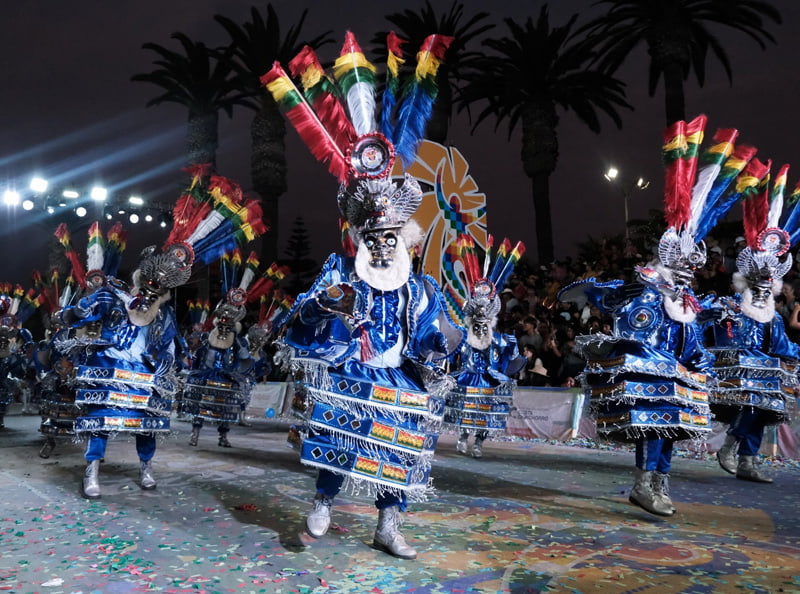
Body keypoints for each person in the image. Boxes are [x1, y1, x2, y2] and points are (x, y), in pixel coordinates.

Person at [266, 31, 463, 559]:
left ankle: (389, 525)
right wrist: (326, 305)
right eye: (372, 238)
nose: (380, 245)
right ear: (360, 239)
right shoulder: (340, 272)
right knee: (337, 441)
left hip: (398, 375)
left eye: (389, 238)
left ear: (403, 239)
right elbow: (301, 314)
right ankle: (324, 505)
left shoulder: (421, 287)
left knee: (398, 453)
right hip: (352, 369)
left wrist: (442, 346)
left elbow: (436, 336)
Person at [560, 117, 752, 517]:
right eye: (683, 266)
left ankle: (657, 483)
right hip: (653, 377)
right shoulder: (645, 293)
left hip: (677, 378)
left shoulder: (683, 300)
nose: (690, 272)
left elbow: (691, 338)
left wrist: (699, 362)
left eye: (693, 267)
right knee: (655, 428)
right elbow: (632, 328)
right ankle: (645, 484)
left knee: (670, 431)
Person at [703, 162, 799, 483]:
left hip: (761, 377)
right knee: (757, 396)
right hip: (734, 377)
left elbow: (782, 347)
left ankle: (747, 460)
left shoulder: (771, 316)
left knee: (766, 402)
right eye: (756, 282)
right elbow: (709, 326)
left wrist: (794, 358)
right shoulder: (730, 305)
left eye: (766, 283)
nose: (761, 289)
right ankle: (731, 445)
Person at [445, 235, 526, 459]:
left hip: (489, 380)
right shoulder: (463, 338)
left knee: (486, 414)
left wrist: (514, 349)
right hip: (468, 378)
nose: (480, 326)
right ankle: (462, 438)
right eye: (476, 322)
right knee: (466, 410)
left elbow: (511, 360)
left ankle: (479, 442)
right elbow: (451, 355)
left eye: (484, 323)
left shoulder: (499, 339)